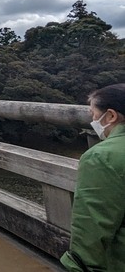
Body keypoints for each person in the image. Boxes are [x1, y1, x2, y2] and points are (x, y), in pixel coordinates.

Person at [61, 83, 125, 271]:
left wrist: (78, 266)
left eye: (93, 114)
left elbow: (92, 229)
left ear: (111, 116)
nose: (93, 120)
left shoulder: (101, 157)